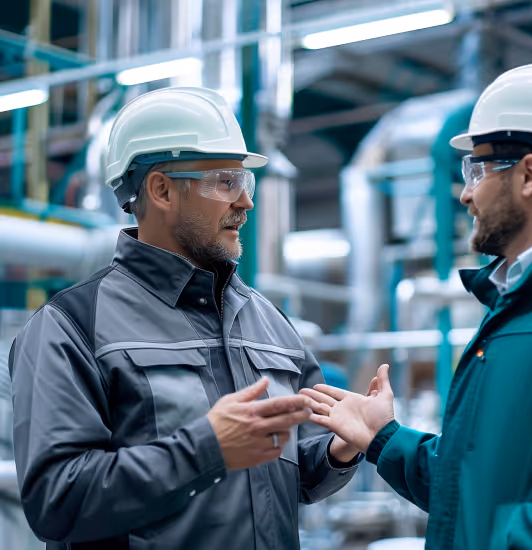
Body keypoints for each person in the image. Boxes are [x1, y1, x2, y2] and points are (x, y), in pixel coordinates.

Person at [302, 63, 532, 549]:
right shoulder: (511, 309)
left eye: (477, 169)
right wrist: (382, 436)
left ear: (528, 174)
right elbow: (472, 487)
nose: (465, 193)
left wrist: (507, 537)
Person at [9, 87, 361, 550]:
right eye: (225, 182)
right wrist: (206, 450)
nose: (246, 203)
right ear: (161, 190)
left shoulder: (269, 323)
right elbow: (59, 503)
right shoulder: (71, 327)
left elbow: (296, 472)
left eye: (246, 183)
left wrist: (341, 448)